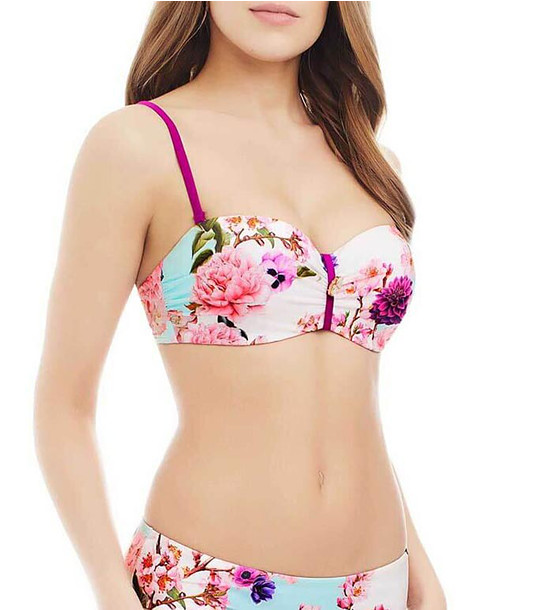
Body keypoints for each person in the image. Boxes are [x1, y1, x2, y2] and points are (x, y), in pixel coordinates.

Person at [34, 2, 446, 609]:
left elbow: (347, 399)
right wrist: (112, 597)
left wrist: (423, 575)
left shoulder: (370, 162)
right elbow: (63, 407)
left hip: (380, 585)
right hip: (208, 584)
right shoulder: (138, 145)